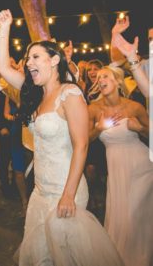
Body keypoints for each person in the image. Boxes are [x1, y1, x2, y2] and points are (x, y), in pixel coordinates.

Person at [0, 9, 124, 266]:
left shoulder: (70, 94)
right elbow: (1, 67)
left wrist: (68, 194)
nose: (29, 63)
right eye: (27, 58)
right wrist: (5, 28)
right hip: (41, 191)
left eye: (36, 57)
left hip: (67, 190)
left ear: (54, 60)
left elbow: (82, 145)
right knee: (44, 257)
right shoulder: (36, 94)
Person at [88, 65, 153, 266]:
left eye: (105, 76)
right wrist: (98, 129)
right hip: (116, 169)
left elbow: (150, 135)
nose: (100, 80)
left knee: (136, 216)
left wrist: (140, 128)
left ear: (117, 81)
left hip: (141, 168)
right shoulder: (94, 109)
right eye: (98, 78)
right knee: (122, 216)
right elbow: (83, 140)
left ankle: (141, 258)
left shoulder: (135, 107)